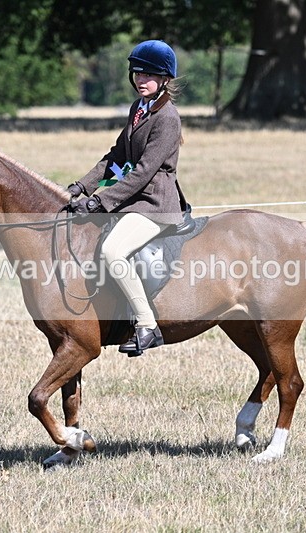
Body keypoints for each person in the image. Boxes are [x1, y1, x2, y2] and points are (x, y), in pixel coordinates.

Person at [67, 40, 187, 355]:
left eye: (149, 75)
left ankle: (147, 325)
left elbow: (143, 171)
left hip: (155, 206)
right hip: (133, 200)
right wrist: (82, 186)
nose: (140, 79)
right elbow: (117, 158)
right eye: (137, 72)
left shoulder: (168, 118)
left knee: (112, 251)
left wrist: (101, 202)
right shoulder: (138, 109)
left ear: (164, 79)